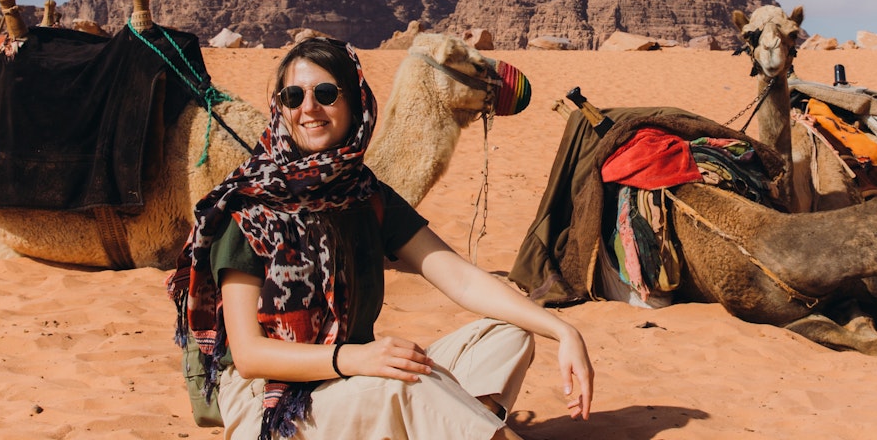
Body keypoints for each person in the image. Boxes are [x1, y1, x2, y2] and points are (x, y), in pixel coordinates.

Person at [168, 38, 593, 440]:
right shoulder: (249, 207)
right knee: (409, 385)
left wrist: (563, 330)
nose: (309, 108)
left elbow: (460, 278)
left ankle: (454, 424)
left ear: (355, 101)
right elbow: (249, 355)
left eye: (326, 93)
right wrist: (356, 359)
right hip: (273, 402)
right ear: (280, 108)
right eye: (293, 97)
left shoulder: (364, 195)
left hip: (351, 376)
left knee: (508, 332)